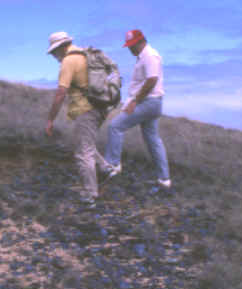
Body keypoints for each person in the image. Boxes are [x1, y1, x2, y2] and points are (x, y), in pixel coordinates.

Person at [45, 31, 117, 209]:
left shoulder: (68, 61)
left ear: (60, 48)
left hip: (86, 110)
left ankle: (90, 195)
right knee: (87, 144)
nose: (55, 56)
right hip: (102, 106)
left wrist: (50, 119)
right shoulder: (86, 54)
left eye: (54, 52)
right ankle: (106, 168)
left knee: (82, 152)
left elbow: (61, 93)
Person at [105, 29, 171, 189]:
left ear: (140, 41)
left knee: (115, 127)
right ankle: (164, 179)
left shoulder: (149, 55)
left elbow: (152, 80)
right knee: (152, 139)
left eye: (132, 45)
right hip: (152, 103)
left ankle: (112, 165)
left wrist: (136, 101)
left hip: (147, 102)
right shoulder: (144, 56)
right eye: (128, 46)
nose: (130, 49)